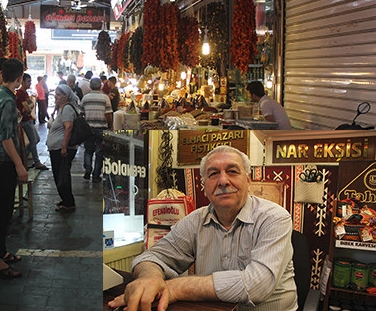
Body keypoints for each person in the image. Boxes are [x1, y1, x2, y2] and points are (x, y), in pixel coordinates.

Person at [108, 145, 297, 311]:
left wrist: (174, 288)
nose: (223, 181)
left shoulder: (274, 217)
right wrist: (150, 278)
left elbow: (257, 286)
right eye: (213, 174)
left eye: (232, 171)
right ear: (204, 186)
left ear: (248, 181)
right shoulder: (195, 220)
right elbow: (152, 256)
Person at [0, 58, 28, 279]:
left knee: (0, 211)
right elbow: (6, 138)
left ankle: (0, 251)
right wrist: (19, 165)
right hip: (3, 162)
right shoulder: (8, 102)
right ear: (19, 78)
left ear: (2, 74)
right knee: (2, 212)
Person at [46, 84, 80, 211]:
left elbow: (68, 127)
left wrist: (64, 146)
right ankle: (66, 199)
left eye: (59, 95)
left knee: (62, 176)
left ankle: (68, 202)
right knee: (60, 175)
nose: (56, 96)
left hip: (61, 149)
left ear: (66, 97)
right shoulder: (62, 108)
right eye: (56, 94)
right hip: (57, 148)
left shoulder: (67, 109)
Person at [80, 77, 113, 183]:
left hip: (88, 129)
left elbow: (81, 113)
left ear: (90, 86)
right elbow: (108, 114)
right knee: (100, 152)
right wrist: (111, 125)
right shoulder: (105, 98)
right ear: (101, 86)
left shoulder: (85, 98)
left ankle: (88, 167)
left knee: (88, 150)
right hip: (101, 128)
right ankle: (96, 175)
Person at [16, 73, 48, 171]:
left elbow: (30, 106)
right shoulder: (20, 94)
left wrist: (28, 107)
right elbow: (28, 108)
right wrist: (28, 107)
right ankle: (36, 161)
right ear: (22, 82)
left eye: (30, 81)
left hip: (28, 119)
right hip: (25, 121)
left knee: (36, 139)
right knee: (33, 140)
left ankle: (23, 158)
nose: (30, 83)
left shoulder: (25, 93)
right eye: (28, 81)